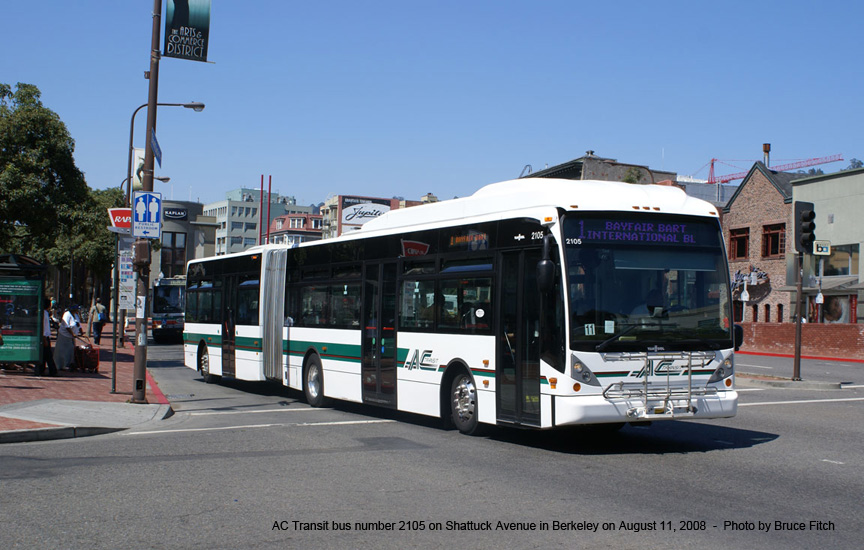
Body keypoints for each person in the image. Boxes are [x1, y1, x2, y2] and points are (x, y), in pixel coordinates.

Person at [54, 304, 83, 371]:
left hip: (72, 336)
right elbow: (66, 326)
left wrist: (81, 331)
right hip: (65, 335)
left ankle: (69, 363)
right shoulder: (67, 314)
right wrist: (73, 334)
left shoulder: (76, 315)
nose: (77, 311)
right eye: (76, 309)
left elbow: (78, 324)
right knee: (64, 351)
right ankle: (62, 365)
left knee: (71, 350)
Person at [35, 298, 58, 377]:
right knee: (48, 355)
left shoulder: (45, 313)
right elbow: (43, 326)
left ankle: (41, 369)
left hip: (46, 336)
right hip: (45, 337)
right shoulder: (44, 313)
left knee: (45, 355)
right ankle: (52, 371)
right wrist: (44, 338)